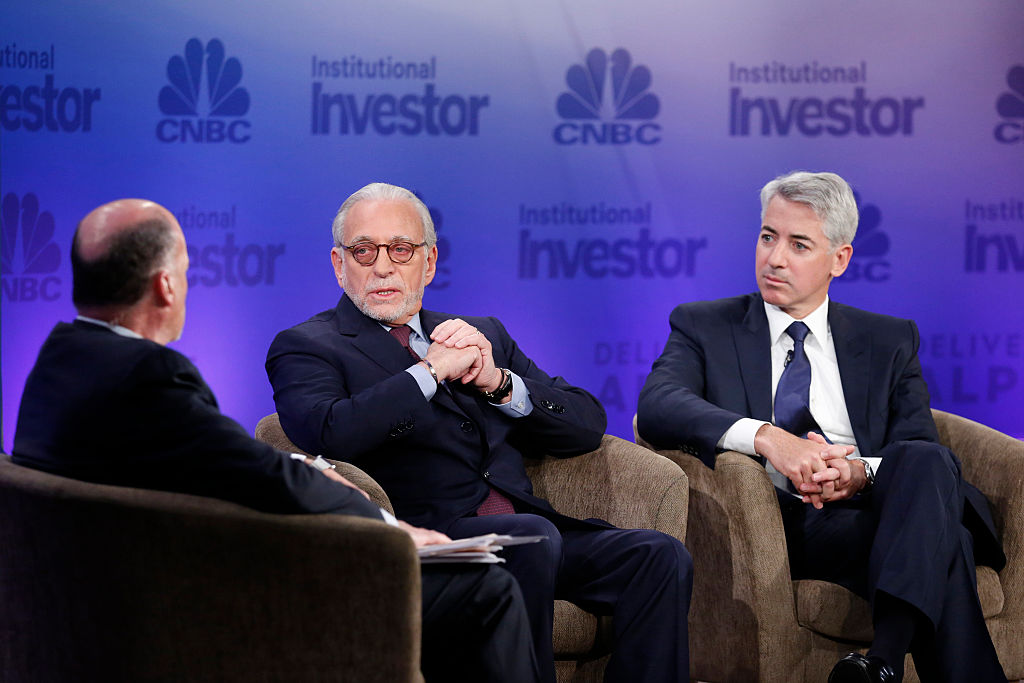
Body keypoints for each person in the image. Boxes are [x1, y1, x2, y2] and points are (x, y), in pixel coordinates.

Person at [12, 198, 541, 683]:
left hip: (102, 596)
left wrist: (309, 470)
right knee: (487, 588)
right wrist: (388, 528)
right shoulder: (148, 373)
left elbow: (212, 457)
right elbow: (251, 471)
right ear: (166, 287)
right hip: (201, 594)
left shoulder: (58, 360)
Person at [266, 182, 692, 683]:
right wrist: (430, 373)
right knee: (530, 540)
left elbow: (586, 423)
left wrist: (498, 382)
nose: (382, 266)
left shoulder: (479, 333)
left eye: (400, 249)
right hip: (426, 536)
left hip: (533, 527)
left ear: (428, 262)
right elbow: (330, 431)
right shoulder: (306, 346)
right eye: (364, 251)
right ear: (340, 265)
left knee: (658, 557)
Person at [637, 171, 1007, 683]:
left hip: (879, 509)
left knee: (927, 461)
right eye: (768, 237)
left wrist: (857, 474)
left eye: (799, 244)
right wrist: (770, 439)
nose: (775, 258)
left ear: (840, 259)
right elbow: (658, 405)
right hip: (781, 522)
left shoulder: (889, 339)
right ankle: (886, 657)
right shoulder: (704, 325)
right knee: (947, 542)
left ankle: (881, 662)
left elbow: (916, 447)